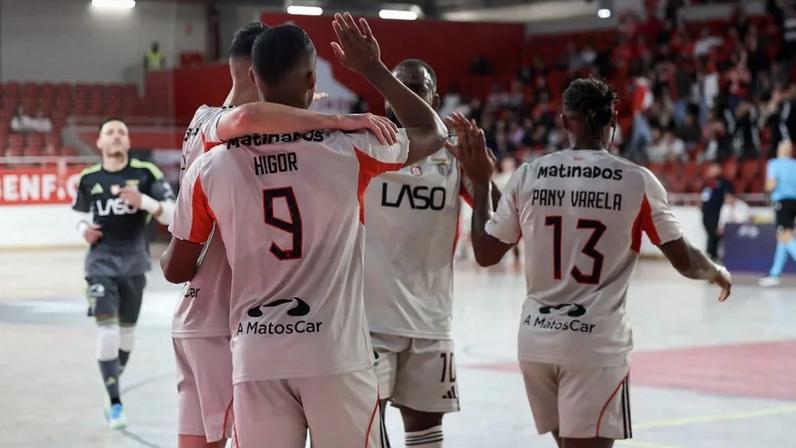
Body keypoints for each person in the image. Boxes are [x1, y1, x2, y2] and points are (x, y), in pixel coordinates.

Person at [161, 14, 447, 447]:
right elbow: (433, 131)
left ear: (253, 77)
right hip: (334, 353)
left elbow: (178, 266)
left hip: (256, 355)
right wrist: (371, 68)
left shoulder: (210, 166)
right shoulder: (353, 147)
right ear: (313, 78)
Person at [445, 78, 731, 448]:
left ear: (565, 121)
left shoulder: (529, 175)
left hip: (536, 341)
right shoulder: (636, 180)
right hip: (594, 345)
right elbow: (683, 259)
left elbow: (484, 252)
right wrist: (715, 271)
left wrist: (482, 182)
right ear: (613, 120)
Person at [364, 58, 500, 448]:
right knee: (364, 432)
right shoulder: (369, 145)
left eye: (416, 89)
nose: (405, 96)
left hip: (431, 325)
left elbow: (498, 228)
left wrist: (482, 178)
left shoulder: (453, 156)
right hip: (368, 322)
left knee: (426, 438)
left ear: (433, 98)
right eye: (397, 87)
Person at [72, 117, 176, 430]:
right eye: (109, 132)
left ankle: (112, 381)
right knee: (108, 331)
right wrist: (83, 230)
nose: (116, 136)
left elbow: (174, 213)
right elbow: (77, 216)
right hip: (100, 265)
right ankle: (115, 400)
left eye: (122, 132)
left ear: (128, 143)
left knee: (127, 336)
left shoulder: (147, 174)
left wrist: (143, 201)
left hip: (134, 265)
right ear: (100, 143)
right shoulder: (89, 178)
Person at [760, 139, 796, 286]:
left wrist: (766, 189)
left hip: (782, 203)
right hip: (794, 203)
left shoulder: (774, 164)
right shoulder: (795, 165)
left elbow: (771, 184)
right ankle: (775, 274)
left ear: (780, 150)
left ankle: (775, 274)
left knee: (785, 237)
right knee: (782, 238)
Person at [701, 162, 733, 260]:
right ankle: (712, 254)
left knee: (714, 234)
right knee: (710, 233)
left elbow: (729, 196)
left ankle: (711, 255)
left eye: (715, 168)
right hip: (706, 213)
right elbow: (703, 196)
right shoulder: (706, 182)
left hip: (717, 213)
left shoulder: (724, 182)